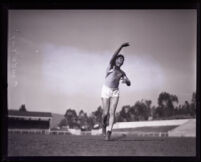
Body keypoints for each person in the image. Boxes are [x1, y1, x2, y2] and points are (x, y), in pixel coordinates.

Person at [101, 42, 131, 140]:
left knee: (112, 112)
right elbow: (114, 54)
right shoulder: (111, 65)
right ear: (116, 60)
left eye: (122, 60)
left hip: (115, 92)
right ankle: (103, 125)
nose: (121, 61)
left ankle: (109, 132)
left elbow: (129, 83)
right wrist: (121, 46)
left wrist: (127, 82)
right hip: (106, 90)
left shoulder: (122, 72)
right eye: (120, 59)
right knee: (105, 113)